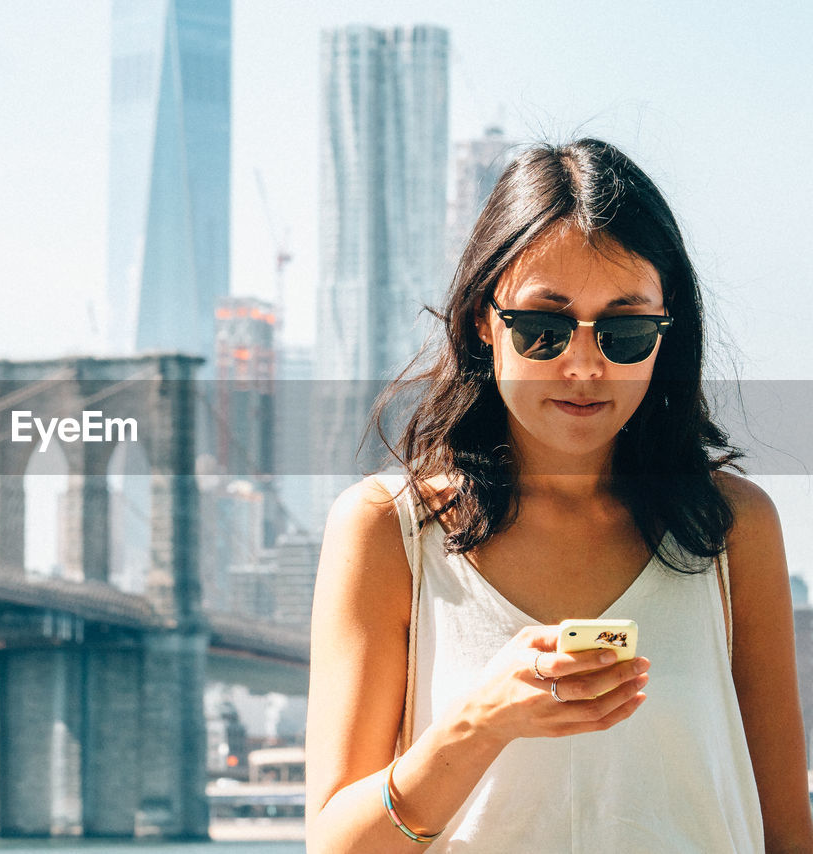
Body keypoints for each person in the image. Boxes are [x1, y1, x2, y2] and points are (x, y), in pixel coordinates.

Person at [304, 139, 813, 852]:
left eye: (626, 331)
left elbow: (788, 833)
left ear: (667, 336)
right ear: (485, 321)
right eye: (543, 329)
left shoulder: (732, 526)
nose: (583, 364)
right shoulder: (388, 530)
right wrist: (478, 723)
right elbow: (333, 846)